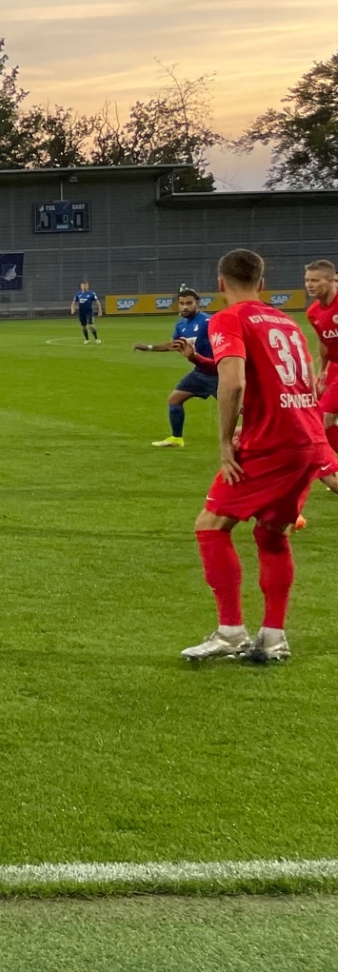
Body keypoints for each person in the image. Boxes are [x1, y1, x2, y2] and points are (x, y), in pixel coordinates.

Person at [181, 250, 338, 666]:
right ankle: (273, 638)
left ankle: (231, 632)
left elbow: (233, 382)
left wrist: (225, 443)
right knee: (271, 533)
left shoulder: (227, 318)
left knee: (211, 525)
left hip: (274, 445)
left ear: (220, 284)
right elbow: (295, 381)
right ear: (263, 285)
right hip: (309, 439)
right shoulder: (286, 321)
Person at [135, 287, 215, 447]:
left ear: (197, 303)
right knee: (174, 400)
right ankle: (176, 439)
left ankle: (265, 436)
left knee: (242, 409)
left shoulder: (209, 322)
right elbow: (173, 345)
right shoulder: (181, 325)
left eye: (189, 303)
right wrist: (149, 347)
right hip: (199, 373)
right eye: (182, 303)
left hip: (218, 374)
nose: (185, 307)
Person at [305, 258, 338, 463]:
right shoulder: (313, 313)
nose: (310, 285)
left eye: (315, 280)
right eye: (307, 280)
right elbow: (324, 344)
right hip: (334, 367)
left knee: (323, 418)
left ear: (331, 280)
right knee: (321, 419)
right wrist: (322, 372)